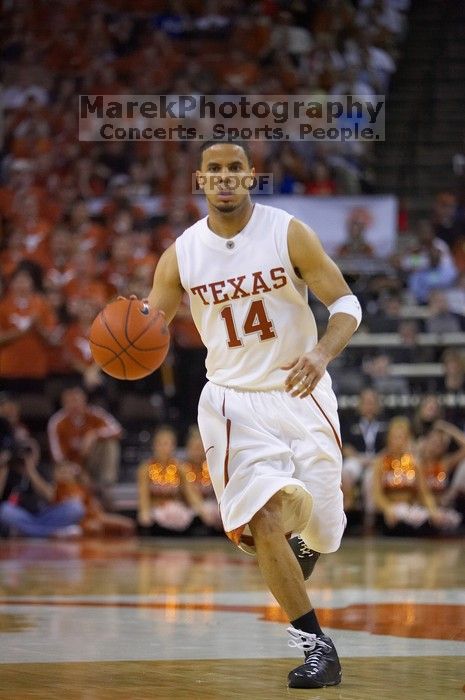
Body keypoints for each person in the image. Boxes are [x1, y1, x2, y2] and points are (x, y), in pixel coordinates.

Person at [138, 141, 363, 689]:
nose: (224, 177)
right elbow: (150, 325)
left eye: (234, 168)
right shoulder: (183, 253)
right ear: (200, 179)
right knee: (262, 517)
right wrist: (127, 331)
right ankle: (316, 646)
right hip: (232, 402)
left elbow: (346, 305)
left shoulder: (286, 231)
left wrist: (320, 352)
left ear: (250, 177)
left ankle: (305, 546)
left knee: (327, 531)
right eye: (213, 169)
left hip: (300, 390)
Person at [372, 417, 444, 535]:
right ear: (389, 439)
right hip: (390, 513)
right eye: (395, 437)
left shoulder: (415, 463)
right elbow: (377, 494)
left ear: (407, 439)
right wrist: (387, 508)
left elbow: (424, 493)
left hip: (410, 511)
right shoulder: (380, 462)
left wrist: (433, 510)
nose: (399, 441)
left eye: (402, 437)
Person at [47, 386, 122, 487]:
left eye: (77, 401)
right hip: (70, 467)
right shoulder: (57, 422)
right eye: (70, 401)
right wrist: (77, 470)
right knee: (63, 470)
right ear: (63, 403)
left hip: (92, 461)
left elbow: (118, 430)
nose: (74, 405)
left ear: (84, 401)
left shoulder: (149, 466)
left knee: (110, 443)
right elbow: (58, 457)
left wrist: (94, 434)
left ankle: (107, 482)